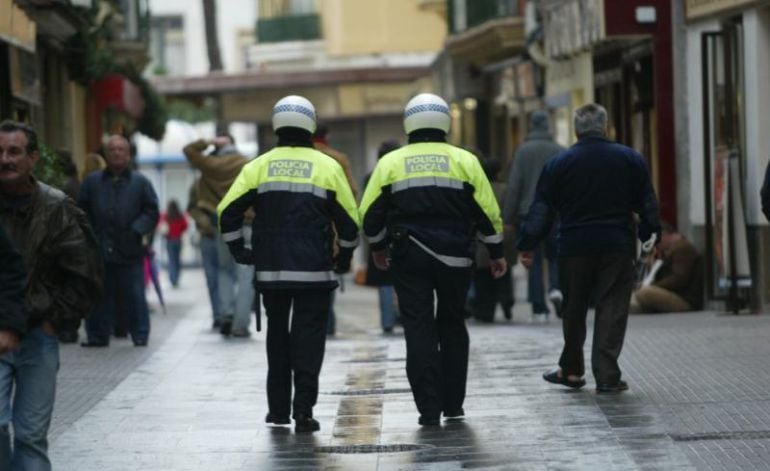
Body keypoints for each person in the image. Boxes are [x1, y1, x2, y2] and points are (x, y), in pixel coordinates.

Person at [359, 93, 507, 426]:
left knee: (418, 326)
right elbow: (488, 212)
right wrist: (496, 252)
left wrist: (380, 248)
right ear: (445, 121)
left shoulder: (390, 163)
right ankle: (453, 404)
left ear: (409, 122)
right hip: (456, 257)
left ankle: (428, 408)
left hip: (409, 257)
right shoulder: (465, 161)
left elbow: (368, 214)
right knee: (453, 323)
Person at [218, 95, 359, 433]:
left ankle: (278, 410)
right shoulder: (328, 167)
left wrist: (240, 250)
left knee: (277, 338)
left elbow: (228, 212)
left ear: (277, 124)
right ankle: (303, 411)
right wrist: (345, 257)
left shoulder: (258, 166)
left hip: (272, 271)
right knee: (309, 340)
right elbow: (351, 223)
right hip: (315, 271)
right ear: (310, 123)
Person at [516, 103, 661, 393]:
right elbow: (646, 203)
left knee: (574, 308)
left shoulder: (560, 162)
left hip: (574, 245)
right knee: (612, 308)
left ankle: (571, 371)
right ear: (605, 127)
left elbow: (542, 207)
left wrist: (527, 243)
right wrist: (650, 236)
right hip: (616, 244)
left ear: (576, 130)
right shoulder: (629, 158)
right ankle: (607, 376)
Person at [0, 120, 102, 469]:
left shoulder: (56, 207)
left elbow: (84, 271)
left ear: (32, 158)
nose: (5, 159)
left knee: (30, 435)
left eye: (14, 152)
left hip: (37, 335)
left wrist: (54, 321)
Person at [79, 134, 159, 347]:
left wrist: (136, 229)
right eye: (112, 149)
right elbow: (80, 211)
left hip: (129, 248)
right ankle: (97, 335)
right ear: (105, 154)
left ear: (128, 154)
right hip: (99, 248)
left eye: (121, 149)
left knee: (134, 295)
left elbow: (151, 211)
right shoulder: (92, 182)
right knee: (99, 294)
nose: (116, 153)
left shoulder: (141, 182)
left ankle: (140, 334)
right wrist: (91, 235)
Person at [184, 135, 255, 337]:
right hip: (248, 223)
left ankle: (226, 314)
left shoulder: (210, 165)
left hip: (222, 224)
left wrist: (208, 142)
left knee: (224, 270)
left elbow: (189, 150)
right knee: (246, 273)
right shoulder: (248, 163)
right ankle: (241, 325)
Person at [503, 110, 564, 322]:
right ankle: (556, 289)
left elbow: (515, 185)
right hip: (555, 211)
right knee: (555, 255)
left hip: (528, 213)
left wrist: (507, 217)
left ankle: (539, 308)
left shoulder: (523, 151)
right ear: (547, 126)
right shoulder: (559, 150)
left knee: (533, 259)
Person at [312, 124, 357, 336]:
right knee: (327, 273)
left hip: (297, 227)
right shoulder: (338, 158)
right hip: (330, 226)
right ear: (326, 136)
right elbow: (351, 191)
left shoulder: (299, 158)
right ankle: (327, 322)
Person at [470, 157, 516, 323]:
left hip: (482, 236)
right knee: (504, 273)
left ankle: (485, 309)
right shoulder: (506, 189)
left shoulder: (477, 189)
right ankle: (506, 302)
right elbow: (511, 209)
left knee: (482, 275)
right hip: (504, 233)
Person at [363, 140, 401, 333]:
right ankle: (402, 315)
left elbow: (366, 208)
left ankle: (387, 321)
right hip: (402, 231)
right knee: (403, 277)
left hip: (379, 232)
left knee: (384, 280)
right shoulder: (401, 174)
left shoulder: (371, 176)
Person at [630, 222, 703, 313]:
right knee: (640, 295)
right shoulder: (670, 250)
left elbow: (679, 278)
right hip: (677, 295)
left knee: (645, 292)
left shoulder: (682, 248)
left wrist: (654, 286)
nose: (655, 245)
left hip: (684, 299)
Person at [187, 179, 221, 327]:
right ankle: (219, 314)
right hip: (208, 235)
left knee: (224, 276)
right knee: (213, 277)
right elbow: (191, 208)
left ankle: (225, 312)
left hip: (224, 235)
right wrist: (204, 222)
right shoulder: (198, 183)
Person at [160, 199, 189, 288]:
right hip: (178, 240)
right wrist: (179, 231)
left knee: (171, 260)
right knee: (177, 260)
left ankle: (172, 279)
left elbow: (161, 225)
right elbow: (185, 226)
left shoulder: (166, 215)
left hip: (169, 240)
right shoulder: (180, 215)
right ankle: (176, 278)